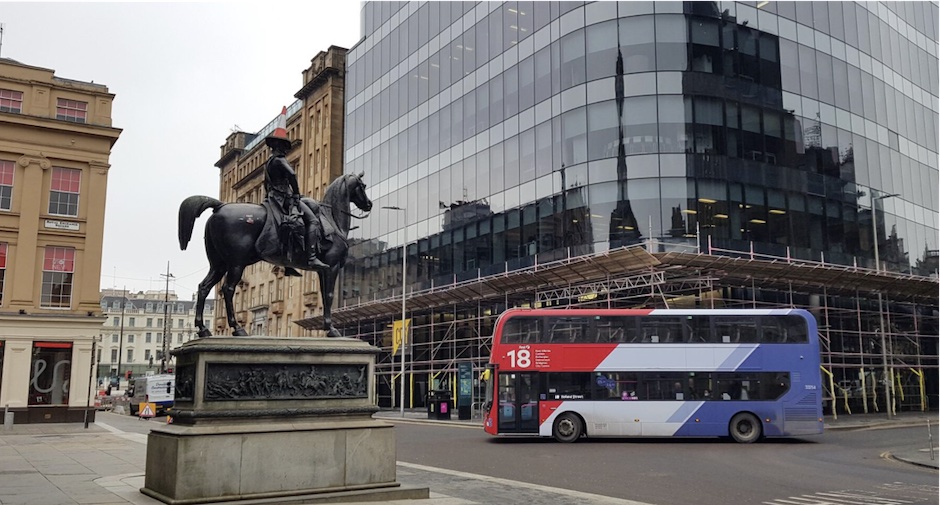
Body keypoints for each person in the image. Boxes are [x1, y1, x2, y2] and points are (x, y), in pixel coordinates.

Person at [263, 106, 328, 270]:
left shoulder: (269, 163)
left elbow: (266, 184)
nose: (286, 149)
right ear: (281, 146)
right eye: (285, 146)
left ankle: (289, 260)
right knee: (312, 220)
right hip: (285, 197)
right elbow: (292, 175)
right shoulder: (280, 160)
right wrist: (297, 195)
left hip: (272, 197)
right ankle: (312, 257)